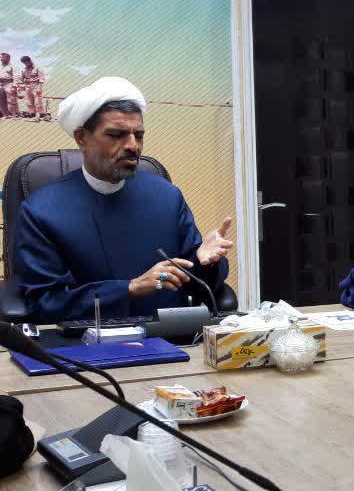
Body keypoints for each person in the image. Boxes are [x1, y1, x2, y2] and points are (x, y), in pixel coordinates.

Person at [12, 77, 234, 323]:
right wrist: (129, 289)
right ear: (81, 138)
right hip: (87, 340)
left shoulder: (167, 196)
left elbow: (193, 282)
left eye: (138, 135)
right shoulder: (41, 210)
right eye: (116, 135)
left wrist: (205, 261)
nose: (132, 146)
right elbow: (45, 302)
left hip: (173, 338)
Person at [0, 53, 14, 118]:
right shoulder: (0, 66)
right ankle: (5, 114)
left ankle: (14, 114)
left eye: (2, 57)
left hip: (9, 83)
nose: (1, 59)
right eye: (0, 57)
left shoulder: (12, 66)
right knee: (1, 101)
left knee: (11, 100)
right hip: (1, 84)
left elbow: (16, 76)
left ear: (8, 58)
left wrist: (15, 85)